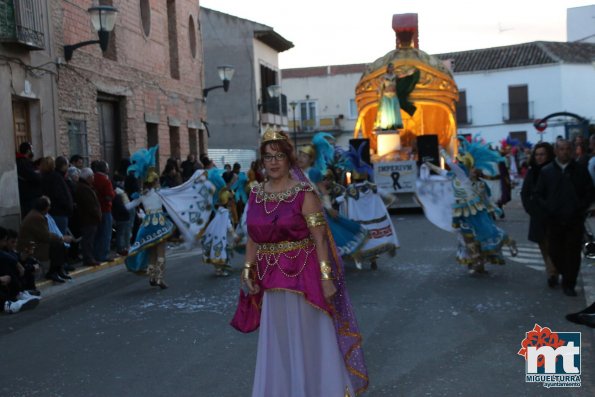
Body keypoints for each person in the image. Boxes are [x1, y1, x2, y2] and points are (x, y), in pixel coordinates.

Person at [240, 129, 368, 396]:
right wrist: (248, 269)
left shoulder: (304, 193)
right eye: (268, 157)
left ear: (289, 159)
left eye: (279, 156)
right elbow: (253, 237)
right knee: (279, 340)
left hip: (304, 276)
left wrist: (326, 277)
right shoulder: (256, 194)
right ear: (262, 161)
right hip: (271, 278)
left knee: (310, 337)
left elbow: (320, 238)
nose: (273, 162)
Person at [534, 139, 595, 296]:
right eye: (561, 149)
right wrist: (548, 208)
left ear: (573, 151)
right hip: (554, 219)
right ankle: (562, 271)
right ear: (556, 151)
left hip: (574, 219)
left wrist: (581, 207)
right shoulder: (547, 171)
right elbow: (539, 194)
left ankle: (570, 283)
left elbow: (589, 191)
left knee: (573, 252)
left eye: (568, 149)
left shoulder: (580, 170)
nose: (565, 152)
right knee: (554, 251)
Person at [125, 167, 174, 289]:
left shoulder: (142, 195)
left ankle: (152, 277)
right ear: (156, 181)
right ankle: (159, 279)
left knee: (151, 251)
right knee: (161, 252)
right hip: (160, 223)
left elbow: (128, 206)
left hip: (147, 225)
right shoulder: (160, 193)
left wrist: (120, 196)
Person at [520, 142, 557, 287]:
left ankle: (554, 271)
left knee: (555, 245)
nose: (539, 157)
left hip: (554, 215)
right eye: (537, 154)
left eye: (542, 154)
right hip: (538, 215)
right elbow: (525, 192)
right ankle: (552, 273)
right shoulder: (532, 171)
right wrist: (531, 209)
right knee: (544, 245)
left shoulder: (554, 169)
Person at [17, 196, 73, 283]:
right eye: (49, 206)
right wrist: (62, 238)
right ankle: (52, 272)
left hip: (36, 242)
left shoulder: (37, 214)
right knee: (57, 244)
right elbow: (45, 236)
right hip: (32, 246)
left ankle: (59, 270)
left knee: (59, 243)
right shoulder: (37, 217)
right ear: (45, 207)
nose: (50, 208)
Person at [75, 168, 102, 267]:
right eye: (92, 176)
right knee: (88, 240)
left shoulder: (85, 187)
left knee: (89, 239)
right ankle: (88, 258)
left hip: (88, 218)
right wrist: (98, 215)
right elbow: (91, 205)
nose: (93, 178)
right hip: (88, 219)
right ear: (88, 177)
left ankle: (89, 257)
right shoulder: (84, 189)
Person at [40, 156, 73, 235]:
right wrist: (67, 206)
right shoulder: (56, 177)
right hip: (59, 212)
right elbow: (60, 195)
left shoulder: (44, 177)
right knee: (60, 238)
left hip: (52, 211)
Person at [92, 160, 115, 262]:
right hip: (105, 209)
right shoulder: (105, 180)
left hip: (95, 209)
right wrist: (114, 194)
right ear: (105, 169)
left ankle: (96, 254)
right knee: (106, 233)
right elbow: (109, 196)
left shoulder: (93, 178)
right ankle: (103, 255)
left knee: (97, 234)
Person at [16, 141, 42, 218]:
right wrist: (39, 174)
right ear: (28, 151)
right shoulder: (22, 163)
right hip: (29, 198)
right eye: (32, 149)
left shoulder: (25, 162)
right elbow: (34, 177)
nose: (32, 151)